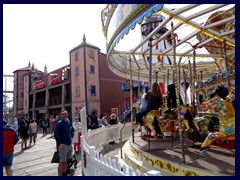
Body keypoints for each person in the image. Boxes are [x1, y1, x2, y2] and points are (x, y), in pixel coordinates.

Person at [54, 110, 73, 176]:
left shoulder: (68, 122)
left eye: (65, 114)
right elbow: (56, 135)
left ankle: (64, 173)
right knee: (62, 161)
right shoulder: (59, 123)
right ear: (60, 115)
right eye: (62, 114)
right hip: (63, 145)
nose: (64, 115)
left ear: (67, 114)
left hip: (69, 144)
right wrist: (60, 143)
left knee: (67, 160)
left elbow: (69, 131)